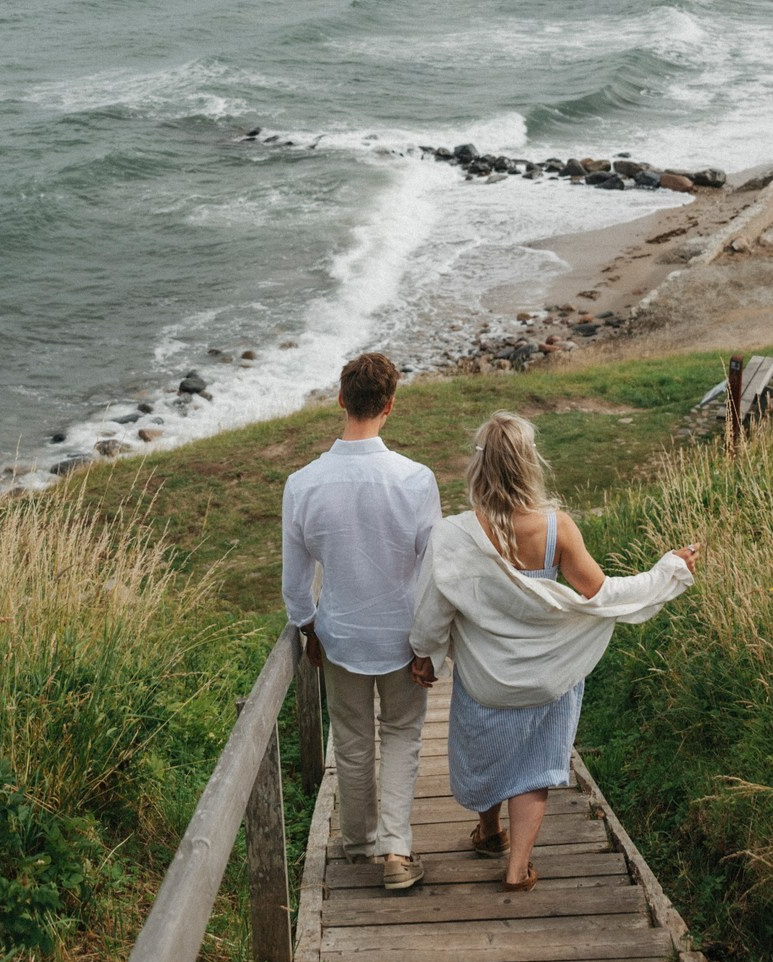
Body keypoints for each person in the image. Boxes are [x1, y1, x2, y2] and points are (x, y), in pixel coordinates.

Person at [409, 411, 699, 891]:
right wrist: (667, 571)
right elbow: (601, 595)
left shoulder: (454, 534)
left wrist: (426, 654)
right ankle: (517, 868)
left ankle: (489, 830)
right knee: (534, 764)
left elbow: (432, 609)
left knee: (486, 751)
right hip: (548, 676)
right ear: (529, 465)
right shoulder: (556, 528)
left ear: (478, 469)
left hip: (487, 677)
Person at [283, 351, 442, 891]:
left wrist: (307, 626)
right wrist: (428, 643)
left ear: (341, 400)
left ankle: (357, 844)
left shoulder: (302, 484)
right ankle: (397, 850)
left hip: (340, 634)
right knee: (402, 736)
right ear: (390, 406)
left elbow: (295, 579)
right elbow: (432, 571)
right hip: (402, 633)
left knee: (351, 739)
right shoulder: (416, 480)